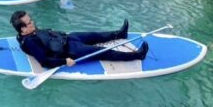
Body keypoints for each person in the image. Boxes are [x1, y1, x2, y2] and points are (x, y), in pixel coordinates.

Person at [10, 10, 149, 69]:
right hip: (70, 50)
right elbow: (44, 62)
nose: (33, 23)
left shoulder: (27, 31)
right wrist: (65, 61)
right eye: (29, 23)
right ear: (22, 29)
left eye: (31, 20)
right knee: (102, 51)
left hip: (67, 38)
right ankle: (138, 55)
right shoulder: (30, 42)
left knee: (94, 35)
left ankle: (120, 34)